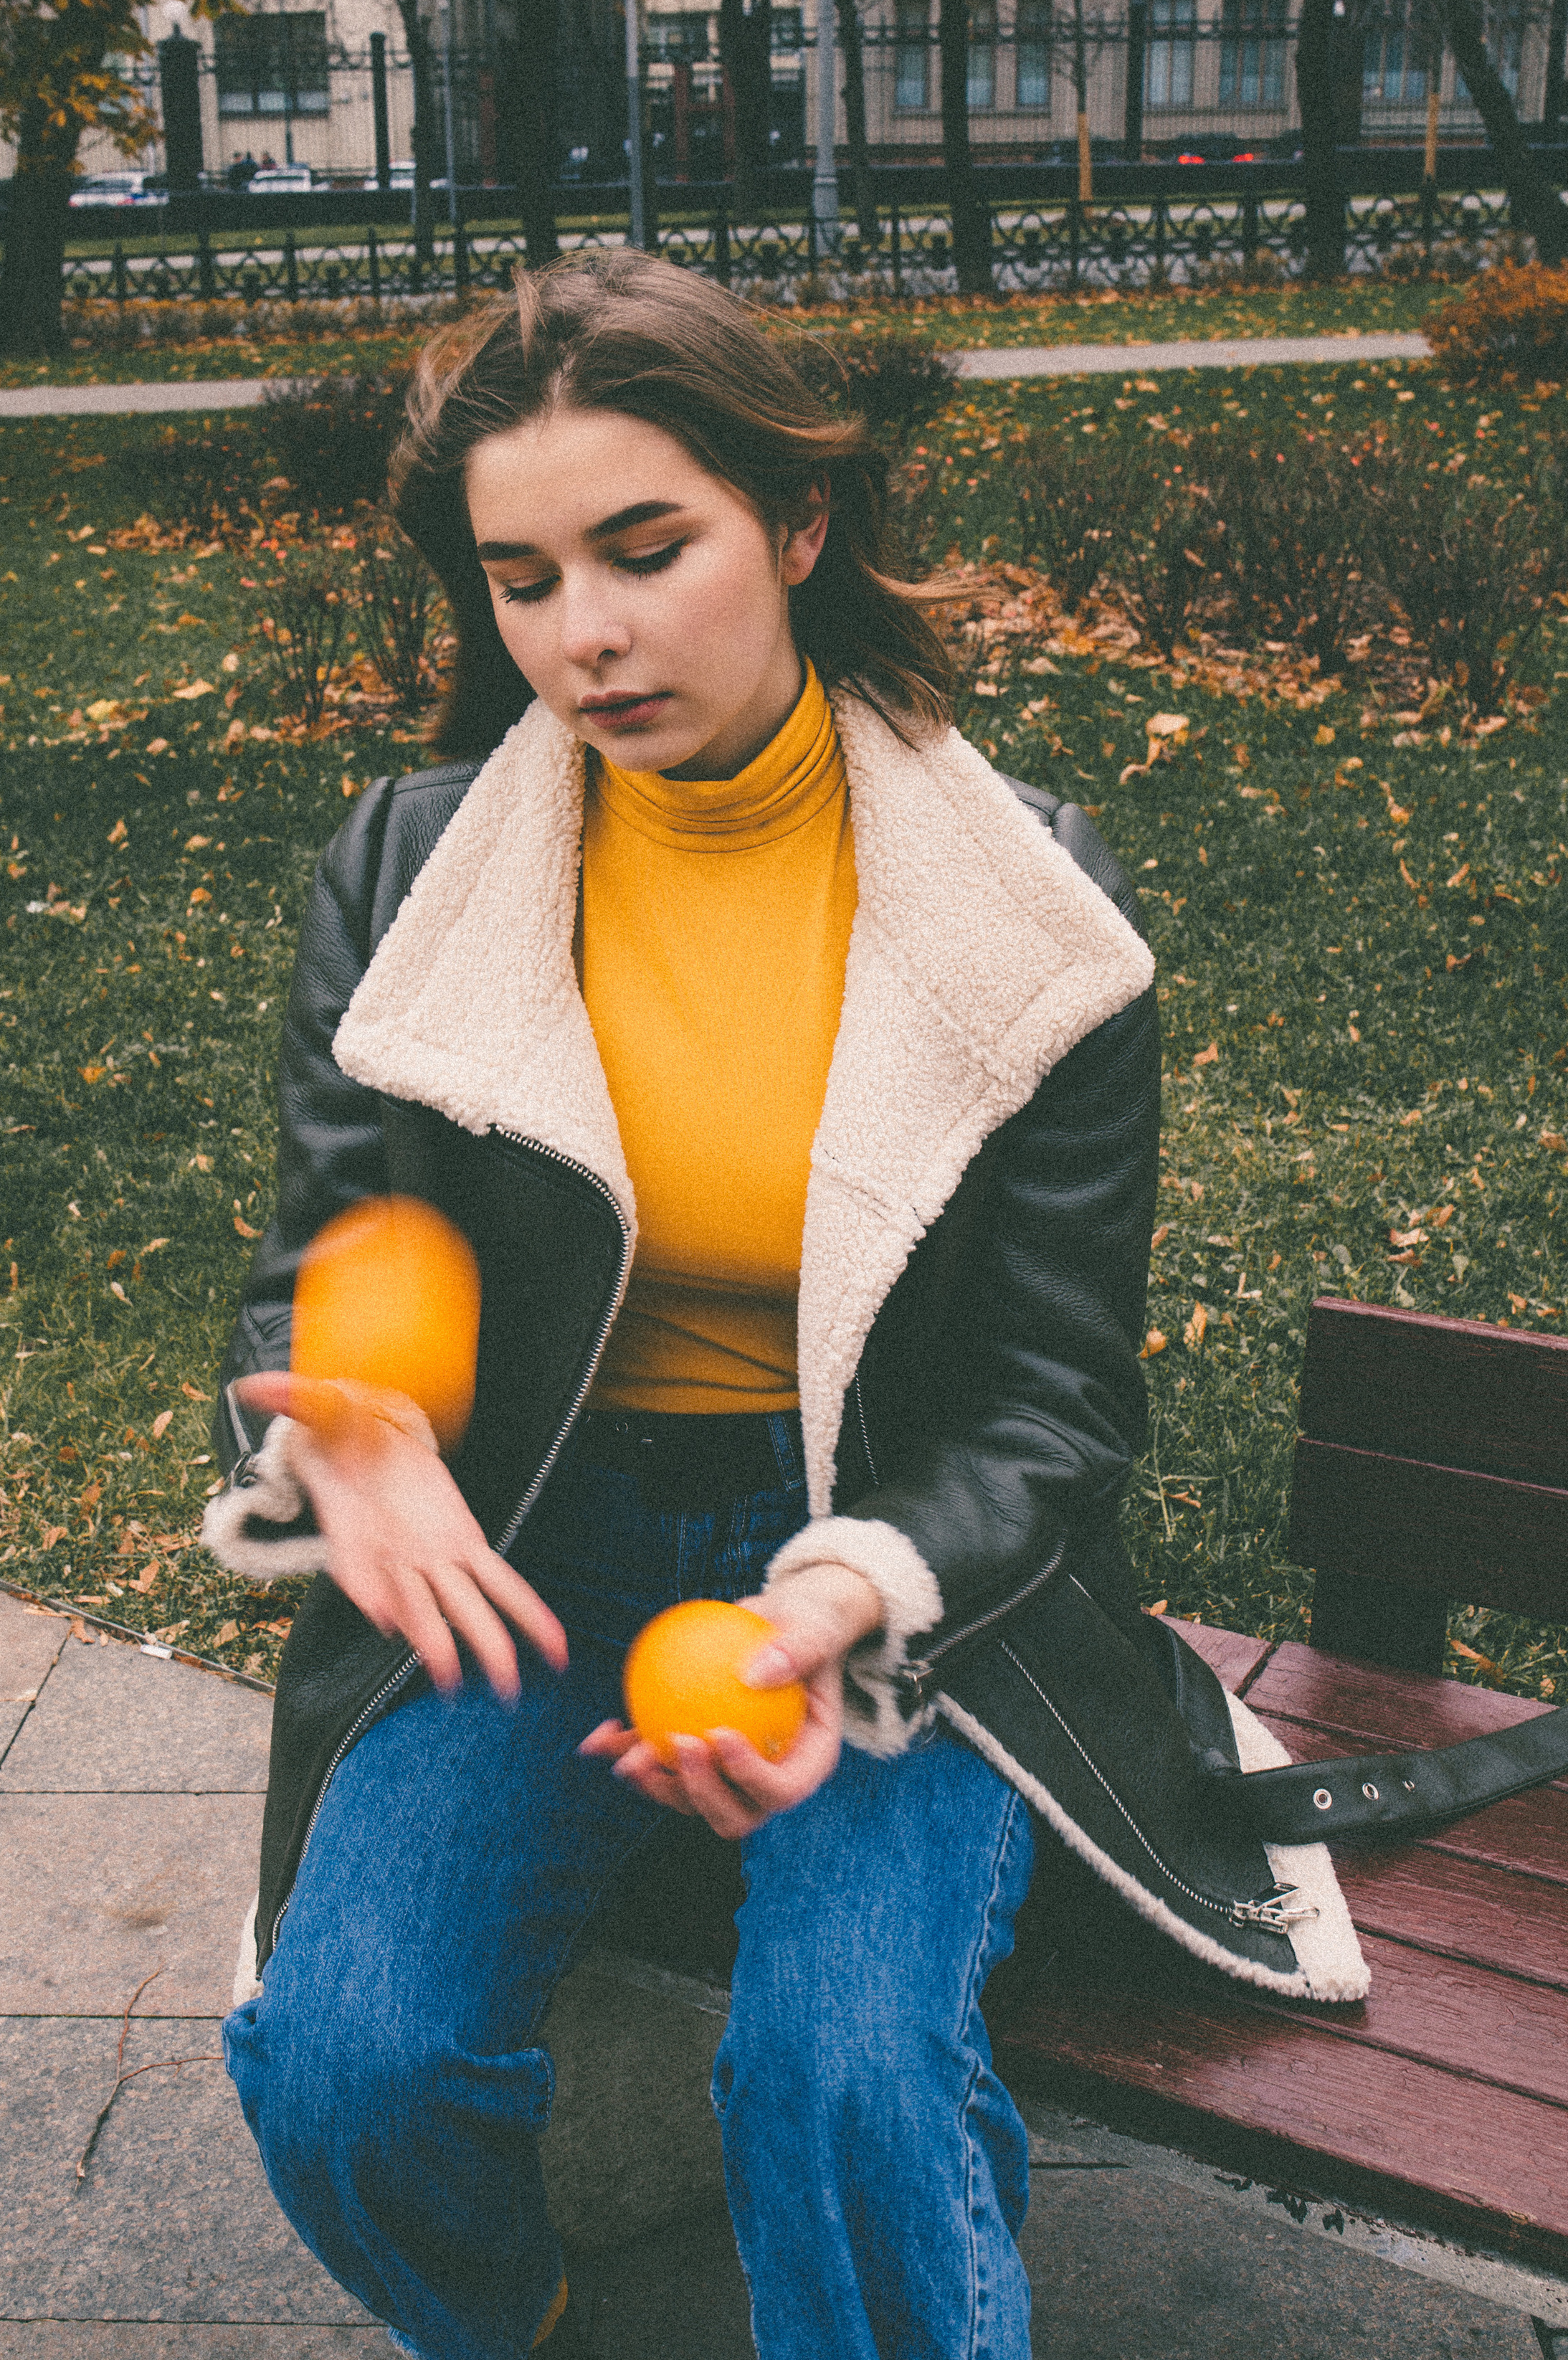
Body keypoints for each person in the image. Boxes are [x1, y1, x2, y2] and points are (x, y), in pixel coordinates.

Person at [201, 252, 1303, 2360]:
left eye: (647, 551)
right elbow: (317, 1263)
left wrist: (845, 1598)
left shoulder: (1025, 911)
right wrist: (346, 1434)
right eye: (523, 581)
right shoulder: (412, 869)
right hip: (533, 1553)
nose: (584, 636)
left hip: (886, 1571)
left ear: (797, 525)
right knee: (348, 2068)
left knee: (844, 2079)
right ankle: (528, 2322)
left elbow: (1056, 1408)